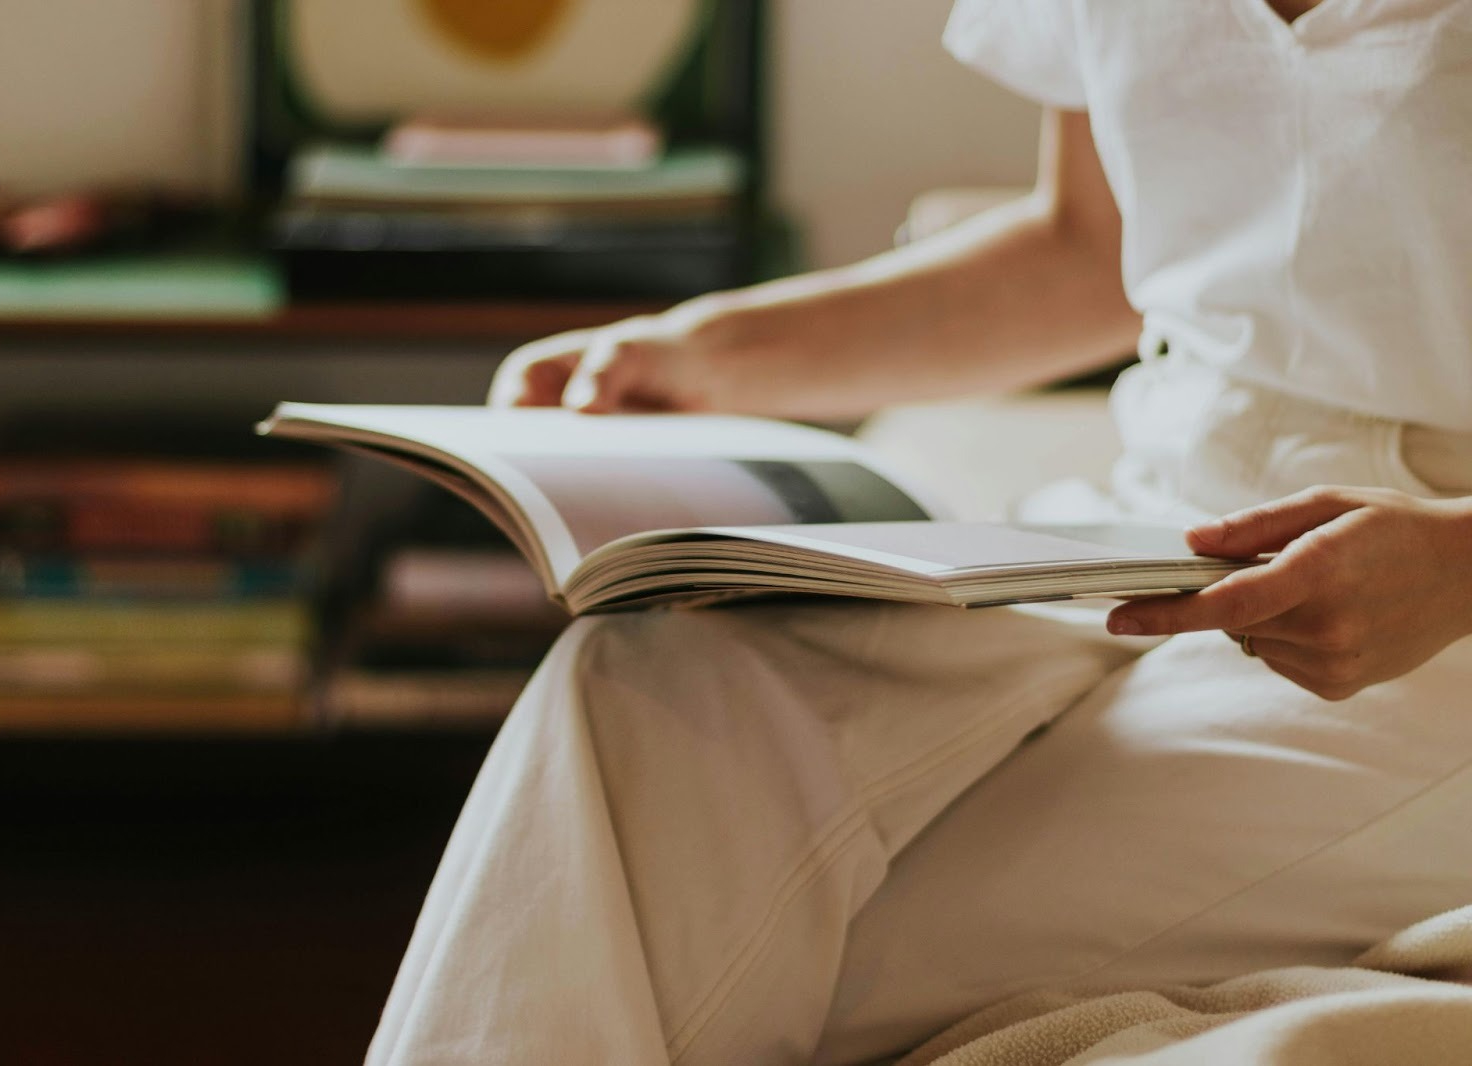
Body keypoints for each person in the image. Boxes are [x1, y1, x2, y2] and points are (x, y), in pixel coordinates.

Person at [367, 2, 1472, 1063]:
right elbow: (1088, 248)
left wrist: (1453, 565)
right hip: (1148, 523)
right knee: (648, 679)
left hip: (1434, 617)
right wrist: (707, 353)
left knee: (764, 961)